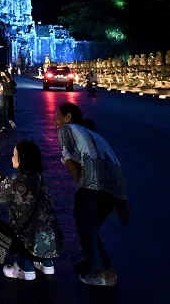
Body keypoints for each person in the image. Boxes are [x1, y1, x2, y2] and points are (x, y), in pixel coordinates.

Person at [56, 103, 130, 287]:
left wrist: (81, 186)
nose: (56, 122)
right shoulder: (94, 134)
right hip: (117, 185)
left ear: (68, 117)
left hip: (93, 182)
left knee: (85, 224)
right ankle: (93, 260)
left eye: (58, 117)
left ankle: (103, 273)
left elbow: (72, 165)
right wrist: (122, 202)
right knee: (90, 225)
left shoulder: (67, 130)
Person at [0, 141, 64, 280]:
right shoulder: (40, 178)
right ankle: (47, 264)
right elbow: (11, 190)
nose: (12, 158)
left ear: (21, 160)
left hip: (29, 241)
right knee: (35, 225)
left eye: (14, 155)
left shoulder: (15, 180)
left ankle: (23, 267)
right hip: (52, 241)